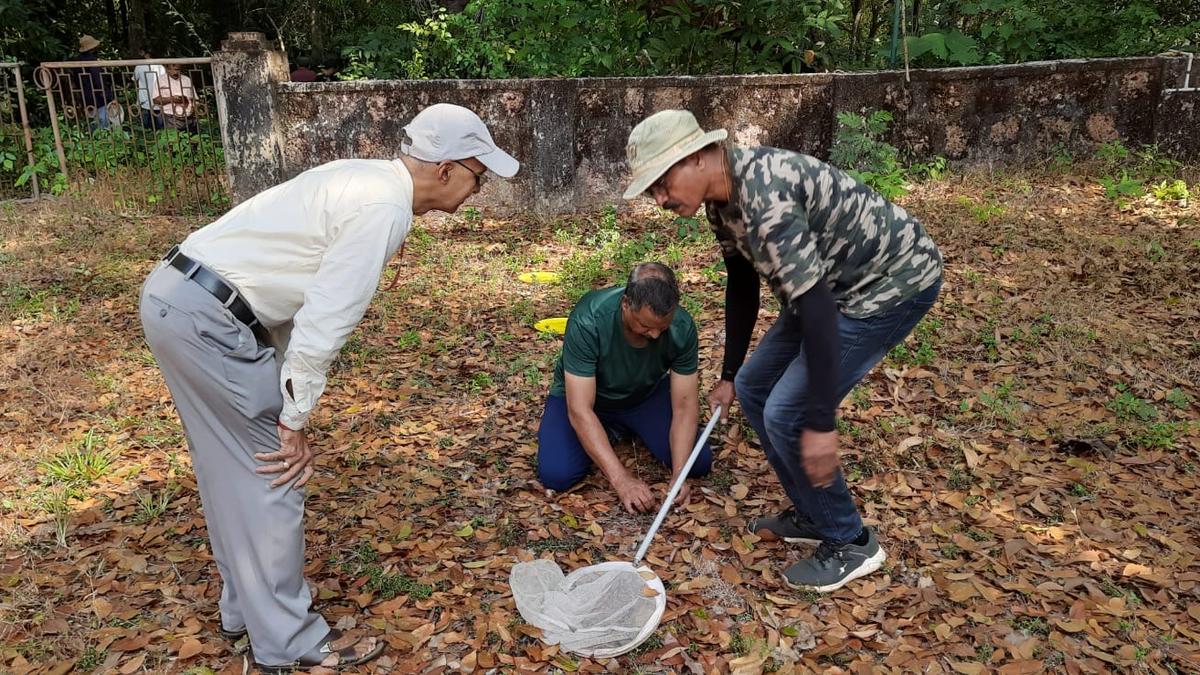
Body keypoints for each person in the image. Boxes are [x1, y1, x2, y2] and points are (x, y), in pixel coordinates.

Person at [138, 103, 517, 672]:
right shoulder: (383, 209)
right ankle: (288, 642)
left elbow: (291, 302)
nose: (476, 191)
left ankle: (245, 611)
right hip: (208, 319)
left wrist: (286, 394)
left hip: (176, 296)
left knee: (230, 467)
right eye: (477, 177)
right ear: (445, 169)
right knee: (274, 473)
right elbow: (324, 320)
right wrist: (292, 420)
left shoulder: (359, 177)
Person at [622, 110, 943, 592]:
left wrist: (819, 422)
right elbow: (742, 283)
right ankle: (814, 516)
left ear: (699, 157)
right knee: (753, 391)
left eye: (662, 183)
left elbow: (816, 315)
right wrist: (730, 374)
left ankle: (851, 541)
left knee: (788, 412)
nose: (660, 198)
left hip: (889, 285)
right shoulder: (721, 199)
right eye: (652, 191)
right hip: (824, 288)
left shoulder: (765, 199)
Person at [537, 263, 712, 513]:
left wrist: (679, 474)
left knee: (698, 463)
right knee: (557, 474)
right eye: (644, 325)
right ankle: (608, 430)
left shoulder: (682, 327)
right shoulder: (589, 319)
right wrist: (622, 480)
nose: (653, 335)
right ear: (626, 303)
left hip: (643, 398)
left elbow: (685, 405)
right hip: (590, 402)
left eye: (661, 329)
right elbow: (579, 409)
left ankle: (619, 429)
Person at [72, 35, 113, 129]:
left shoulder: (77, 61)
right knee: (103, 123)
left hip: (85, 95)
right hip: (98, 96)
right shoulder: (92, 61)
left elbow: (76, 79)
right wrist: (107, 95)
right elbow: (97, 79)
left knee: (92, 121)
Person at [154, 63, 197, 132]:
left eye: (178, 69)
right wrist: (172, 99)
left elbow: (194, 98)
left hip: (189, 118)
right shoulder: (161, 80)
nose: (175, 72)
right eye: (173, 69)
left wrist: (193, 108)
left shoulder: (187, 80)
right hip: (171, 118)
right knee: (173, 140)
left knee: (193, 140)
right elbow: (156, 100)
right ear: (167, 69)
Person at [131, 46, 166, 130]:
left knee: (146, 126)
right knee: (160, 125)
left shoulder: (139, 66)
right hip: (157, 98)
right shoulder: (160, 66)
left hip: (144, 99)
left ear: (147, 55)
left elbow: (134, 79)